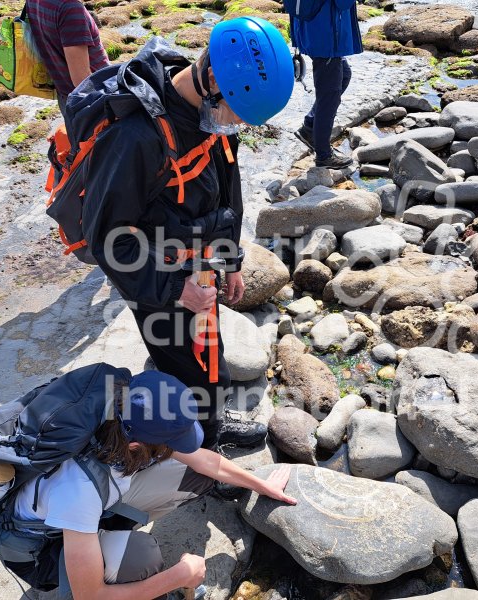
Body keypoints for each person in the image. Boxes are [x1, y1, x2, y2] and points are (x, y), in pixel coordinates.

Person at [79, 18, 295, 452]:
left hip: (197, 266)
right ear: (213, 77)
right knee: (187, 371)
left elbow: (227, 193)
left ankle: (205, 429)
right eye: (239, 112)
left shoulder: (210, 116)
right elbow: (106, 239)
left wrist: (230, 260)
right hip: (153, 277)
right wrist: (175, 289)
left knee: (212, 362)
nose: (240, 126)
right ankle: (198, 454)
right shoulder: (135, 138)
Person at [7, 369, 297, 598]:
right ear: (134, 446)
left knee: (198, 474)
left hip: (93, 494)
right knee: (142, 557)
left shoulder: (124, 409)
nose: (178, 447)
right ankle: (109, 554)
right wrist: (178, 576)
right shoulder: (77, 491)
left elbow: (204, 461)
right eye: (168, 442)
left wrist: (259, 484)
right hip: (43, 547)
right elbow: (91, 595)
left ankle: (107, 537)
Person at [290, 0, 362, 169]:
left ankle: (310, 128)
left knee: (344, 75)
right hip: (327, 35)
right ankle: (323, 155)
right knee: (329, 96)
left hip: (313, 29)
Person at [26, 0, 109, 118]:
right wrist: (113, 107)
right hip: (91, 103)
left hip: (66, 97)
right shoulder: (70, 8)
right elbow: (81, 80)